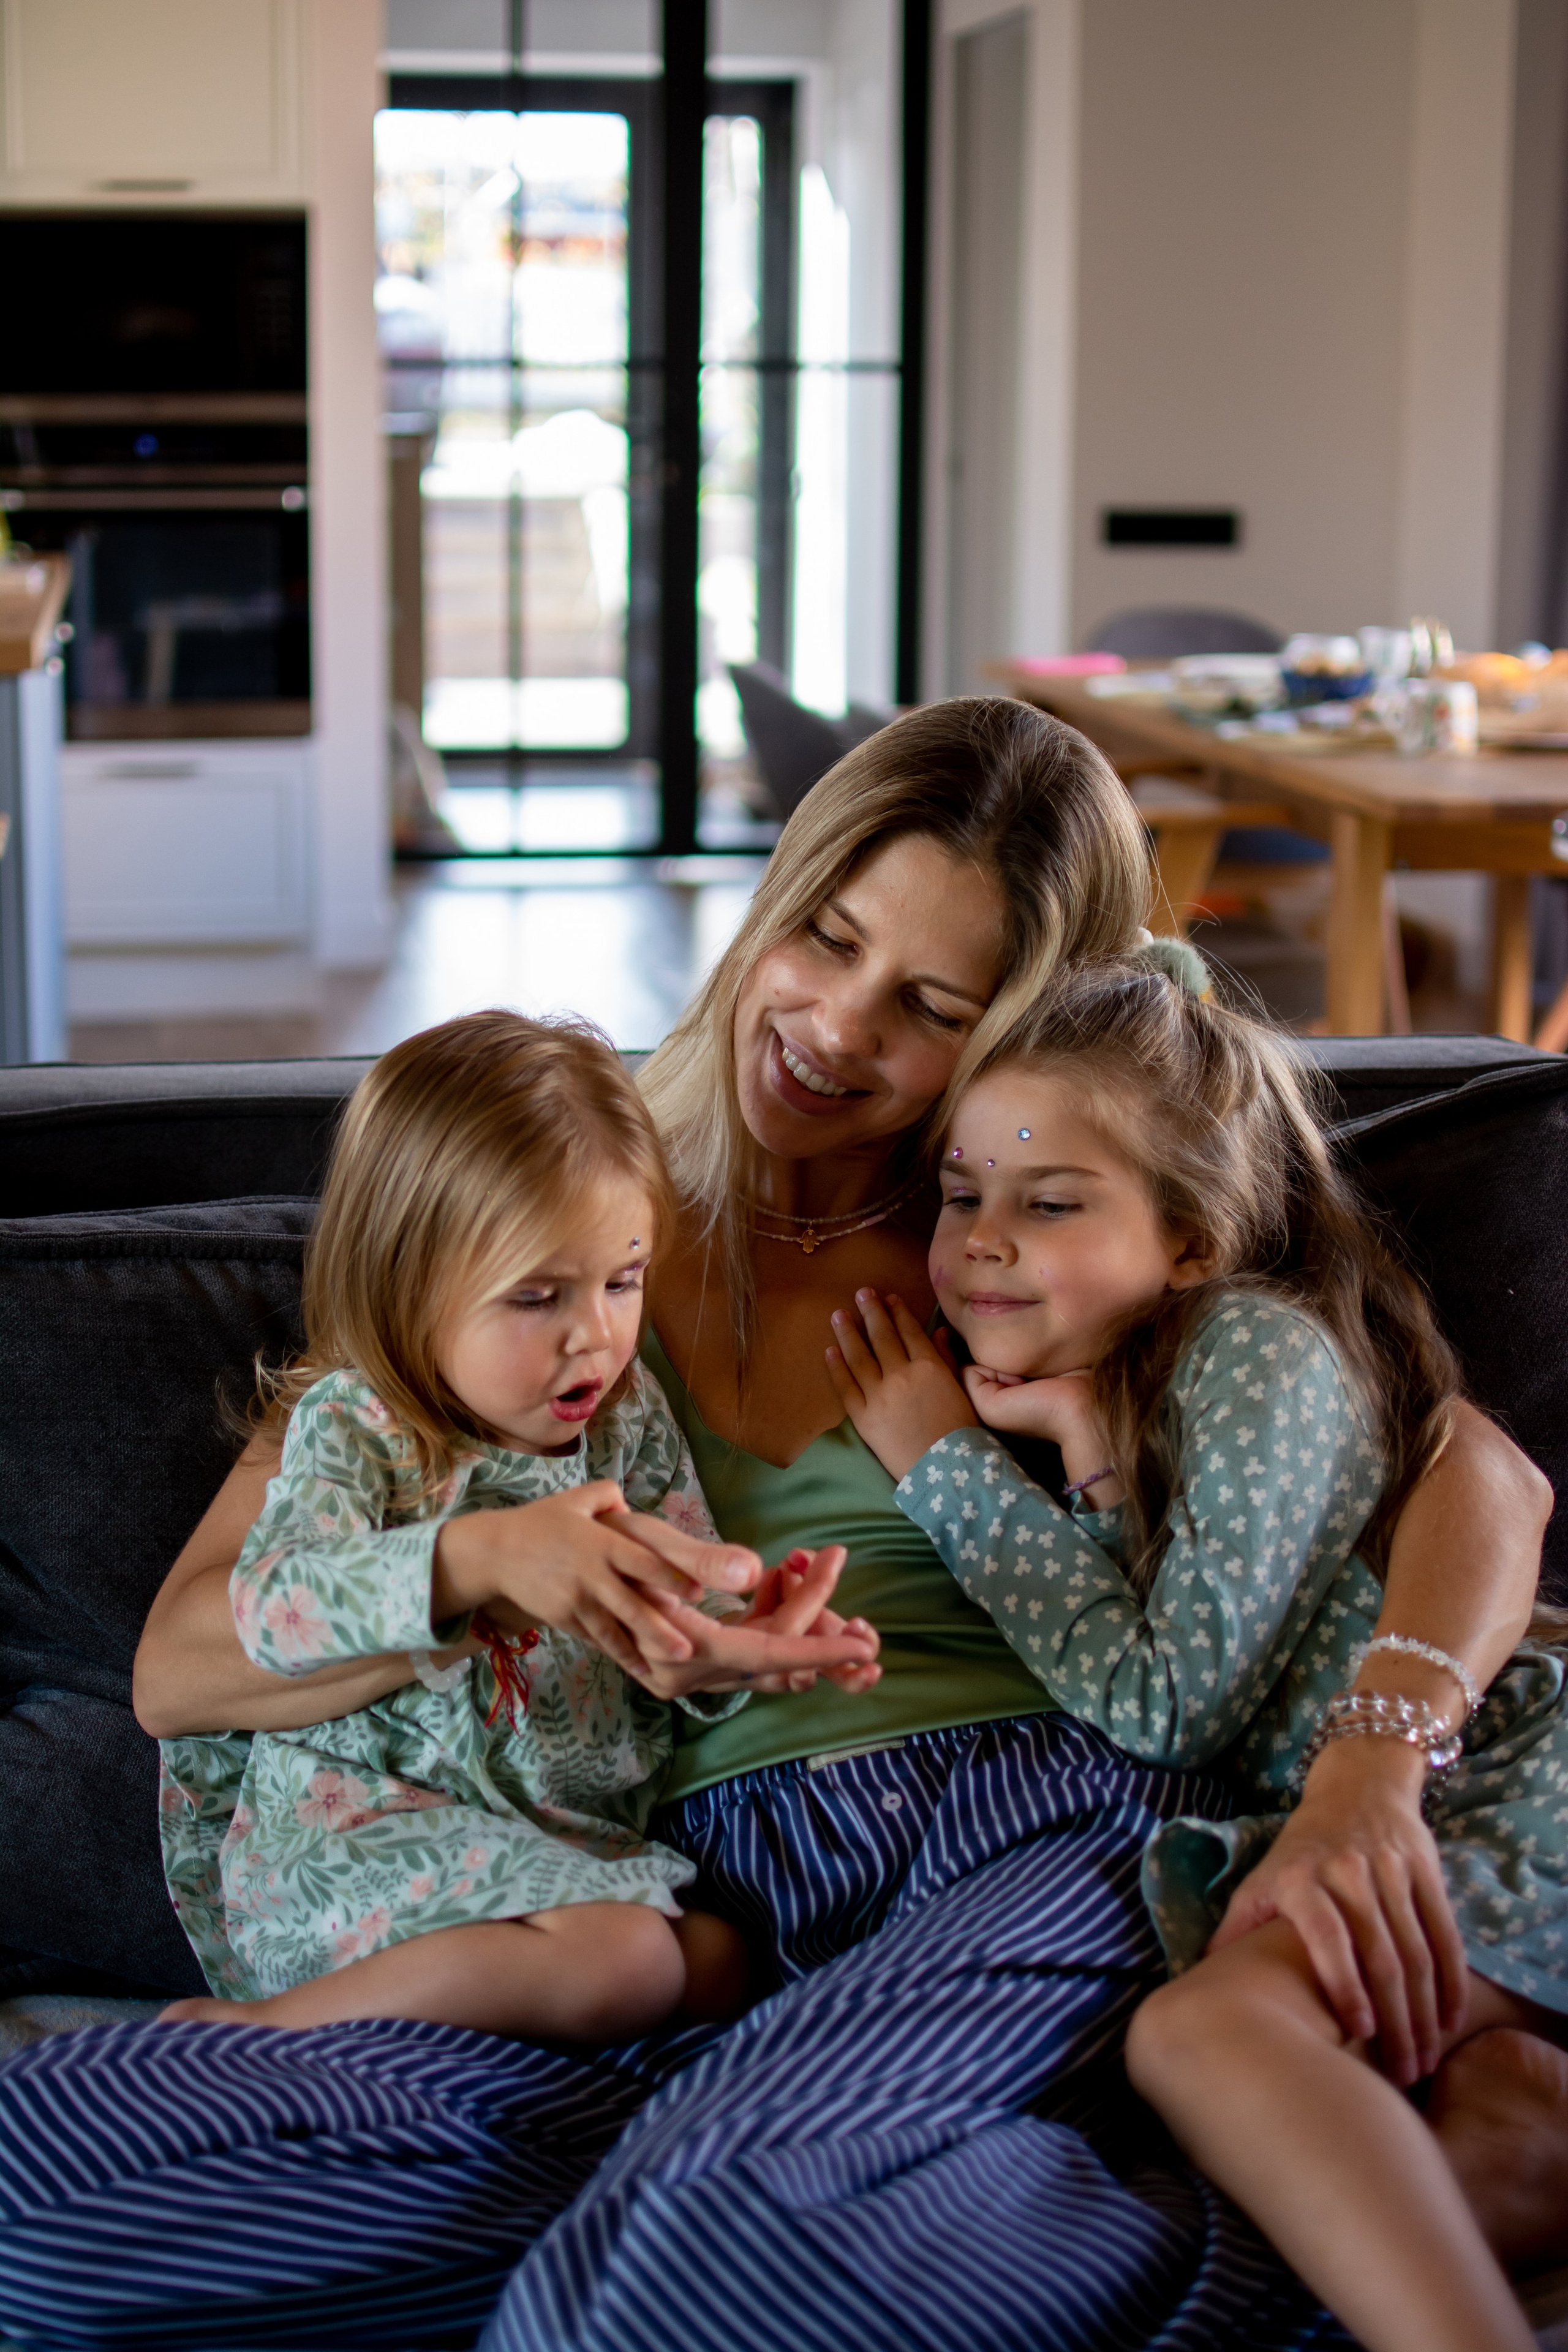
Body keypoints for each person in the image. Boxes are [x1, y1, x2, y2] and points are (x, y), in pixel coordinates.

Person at [0, 699, 1551, 2352]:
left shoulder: (1042, 1231)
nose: (833, 1024)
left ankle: (797, 2238)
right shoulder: (556, 1229)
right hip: (698, 1922)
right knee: (56, 2193)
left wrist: (1373, 1769)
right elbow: (185, 1660)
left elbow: (1487, 1477)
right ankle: (908, 2211)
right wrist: (475, 1562)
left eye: (932, 1007)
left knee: (680, 2281)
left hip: (1025, 1836)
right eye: (826, 934)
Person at [826, 946, 1568, 2352]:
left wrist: (944, 1463)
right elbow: (1185, 1637)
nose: (981, 1240)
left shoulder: (1256, 1350)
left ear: (1188, 1240)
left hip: (1508, 1785)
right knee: (1429, 2158)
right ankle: (1522, 2134)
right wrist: (1097, 1458)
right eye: (961, 1195)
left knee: (1196, 2037)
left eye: (1048, 1203)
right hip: (1458, 1805)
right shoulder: (1149, 1384)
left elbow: (1165, 1702)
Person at [157, 1011, 879, 2041]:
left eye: (624, 1281)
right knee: (623, 1959)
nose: (597, 1334)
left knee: (721, 1962)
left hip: (548, 1845)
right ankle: (247, 2037)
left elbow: (675, 1598)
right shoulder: (363, 1426)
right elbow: (274, 1609)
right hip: (360, 1841)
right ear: (409, 1286)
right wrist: (469, 1560)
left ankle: (452, 2041)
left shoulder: (629, 1421)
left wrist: (742, 1641)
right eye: (538, 1295)